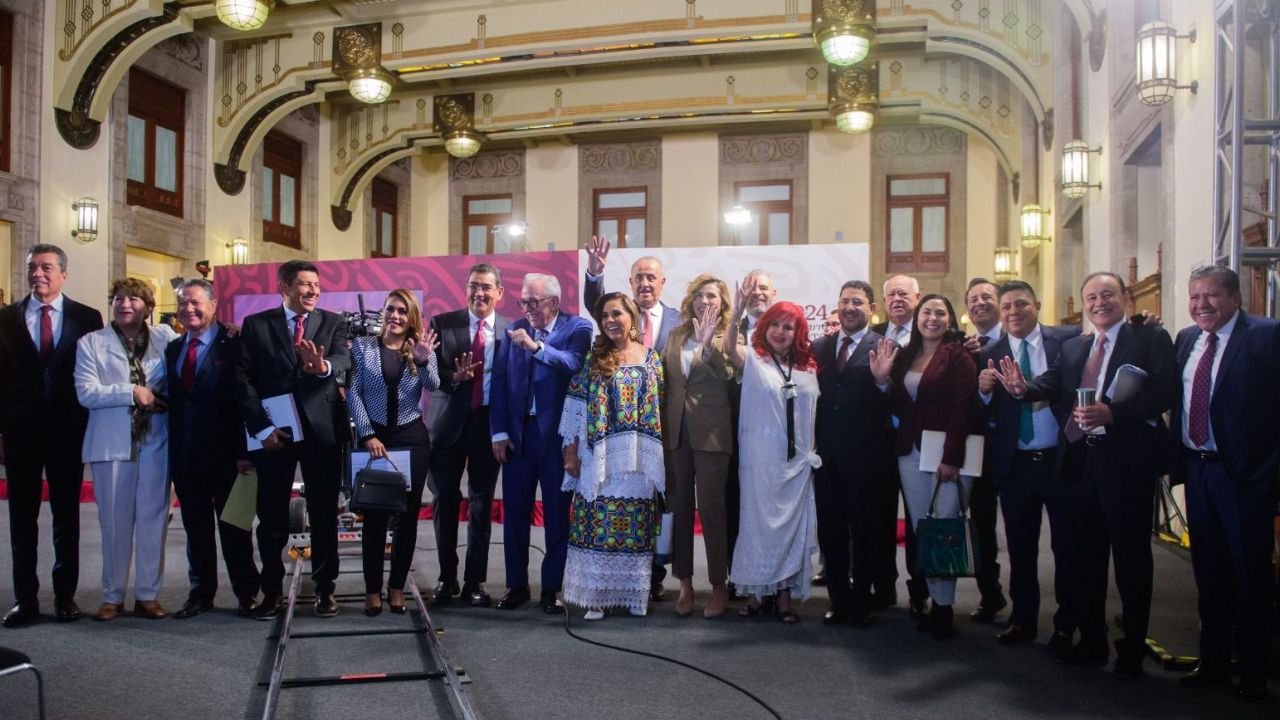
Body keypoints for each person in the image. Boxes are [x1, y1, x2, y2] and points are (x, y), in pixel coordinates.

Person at [991, 271, 1176, 678]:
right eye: (1090, 297)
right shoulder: (1076, 347)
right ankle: (1091, 640)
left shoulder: (1148, 338)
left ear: (1124, 297)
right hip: (1078, 466)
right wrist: (1024, 389)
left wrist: (1114, 413)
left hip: (1126, 466)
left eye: (1106, 294)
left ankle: (1131, 649)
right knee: (1084, 560)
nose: (1097, 303)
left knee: (1130, 561)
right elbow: (1052, 383)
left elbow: (1165, 392)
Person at [1169, 266, 1279, 701]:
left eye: (1211, 296)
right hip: (1197, 472)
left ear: (1235, 297)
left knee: (1251, 575)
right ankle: (1212, 660)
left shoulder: (1267, 336)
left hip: (1245, 477)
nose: (1201, 305)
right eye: (1195, 296)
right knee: (1208, 572)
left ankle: (1252, 671)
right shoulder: (1186, 340)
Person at [234, 260, 351, 619]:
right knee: (270, 517)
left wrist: (325, 367)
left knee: (323, 514)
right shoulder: (256, 325)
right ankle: (272, 592)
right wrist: (261, 428)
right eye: (305, 284)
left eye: (316, 285)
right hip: (275, 434)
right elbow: (243, 380)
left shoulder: (332, 322)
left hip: (321, 433)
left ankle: (325, 589)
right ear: (284, 287)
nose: (314, 291)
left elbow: (344, 359)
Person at [0, 244, 103, 628]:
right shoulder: (5, 318)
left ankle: (65, 596)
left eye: (46, 267)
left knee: (67, 517)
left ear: (63, 274)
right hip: (20, 432)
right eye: (32, 267)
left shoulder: (87, 318)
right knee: (21, 519)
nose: (37, 273)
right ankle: (25, 599)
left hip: (67, 432)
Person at [977, 280, 1078, 647]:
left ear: (1037, 304)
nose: (1013, 312)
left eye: (1021, 304)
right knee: (1021, 548)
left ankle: (1067, 623)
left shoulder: (1067, 340)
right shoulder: (990, 350)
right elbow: (982, 410)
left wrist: (1140, 322)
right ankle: (1023, 619)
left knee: (1067, 548)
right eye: (1006, 307)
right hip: (1015, 464)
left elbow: (1108, 336)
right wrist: (984, 391)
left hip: (1059, 461)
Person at [74, 278, 179, 620]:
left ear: (148, 306)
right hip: (111, 444)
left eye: (133, 299)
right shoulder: (91, 343)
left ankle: (148, 594)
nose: (124, 304)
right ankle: (112, 595)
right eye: (118, 299)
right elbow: (86, 393)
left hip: (156, 441)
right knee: (115, 523)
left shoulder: (165, 338)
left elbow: (194, 354)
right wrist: (132, 392)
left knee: (152, 519)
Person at [873, 293, 975, 640]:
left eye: (940, 312)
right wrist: (883, 380)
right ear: (917, 318)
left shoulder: (959, 356)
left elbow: (964, 408)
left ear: (950, 319)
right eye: (926, 312)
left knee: (944, 528)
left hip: (946, 455)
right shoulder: (906, 355)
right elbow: (896, 402)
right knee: (923, 529)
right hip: (910, 452)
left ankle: (944, 608)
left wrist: (951, 457)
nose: (932, 318)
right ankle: (933, 601)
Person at [583, 236, 678, 601]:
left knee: (655, 507)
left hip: (661, 433)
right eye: (638, 276)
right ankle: (616, 581)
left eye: (651, 277)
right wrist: (595, 272)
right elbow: (599, 304)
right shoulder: (616, 317)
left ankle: (651, 577)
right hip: (615, 442)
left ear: (662, 282)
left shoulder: (679, 322)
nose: (645, 283)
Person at [490, 273, 592, 613]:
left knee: (557, 517)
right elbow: (500, 384)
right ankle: (517, 585)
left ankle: (552, 589)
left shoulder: (576, 328)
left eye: (534, 302)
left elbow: (573, 363)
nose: (527, 309)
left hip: (559, 440)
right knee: (515, 514)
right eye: (523, 302)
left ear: (554, 302)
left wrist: (537, 348)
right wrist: (499, 432)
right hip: (518, 437)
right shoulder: (513, 329)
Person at [560, 292, 665, 619]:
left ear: (631, 316)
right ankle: (595, 598)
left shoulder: (651, 359)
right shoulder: (593, 359)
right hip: (600, 459)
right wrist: (571, 456)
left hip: (637, 460)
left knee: (634, 528)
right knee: (599, 524)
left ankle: (632, 595)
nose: (610, 321)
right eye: (605, 316)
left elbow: (660, 409)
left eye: (616, 314)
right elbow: (575, 408)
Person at [725, 276, 820, 624]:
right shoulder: (752, 358)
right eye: (775, 324)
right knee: (757, 527)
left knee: (791, 531)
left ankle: (783, 596)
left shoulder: (810, 366)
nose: (781, 331)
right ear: (764, 327)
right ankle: (754, 592)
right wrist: (736, 312)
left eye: (789, 327)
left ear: (799, 333)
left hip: (797, 464)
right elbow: (727, 349)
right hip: (759, 463)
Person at [166, 279, 260, 620]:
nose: (189, 309)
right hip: (187, 457)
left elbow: (246, 400)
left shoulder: (234, 343)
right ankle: (201, 593)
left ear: (213, 305)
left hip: (230, 458)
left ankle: (247, 592)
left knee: (235, 528)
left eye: (195, 303)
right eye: (182, 304)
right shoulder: (174, 349)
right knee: (196, 529)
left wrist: (245, 450)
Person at [347, 290, 441, 616]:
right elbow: (354, 394)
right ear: (383, 313)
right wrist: (367, 433)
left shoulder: (418, 349)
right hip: (374, 438)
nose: (395, 316)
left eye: (402, 311)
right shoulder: (362, 348)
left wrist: (425, 359)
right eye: (390, 309)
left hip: (411, 438)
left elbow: (433, 385)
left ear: (411, 316)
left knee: (406, 518)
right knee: (373, 516)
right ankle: (372, 589)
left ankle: (397, 586)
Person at [425, 264, 508, 607]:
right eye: (474, 286)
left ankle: (475, 582)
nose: (480, 293)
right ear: (466, 288)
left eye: (487, 287)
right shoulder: (443, 324)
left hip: (487, 426)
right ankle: (447, 578)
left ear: (499, 293)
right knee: (444, 501)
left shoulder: (509, 331)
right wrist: (455, 378)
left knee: (481, 503)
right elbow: (430, 375)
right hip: (447, 425)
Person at [812, 280, 889, 628]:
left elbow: (896, 405)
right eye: (844, 301)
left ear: (872, 308)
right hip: (826, 460)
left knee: (865, 533)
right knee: (832, 533)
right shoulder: (819, 347)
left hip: (866, 460)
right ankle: (838, 599)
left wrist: (883, 383)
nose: (849, 307)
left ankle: (862, 601)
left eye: (857, 301)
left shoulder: (884, 347)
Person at [661, 275, 734, 618]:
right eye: (700, 295)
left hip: (713, 435)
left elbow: (730, 375)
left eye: (713, 296)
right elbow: (666, 383)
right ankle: (685, 583)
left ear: (722, 303)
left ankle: (719, 585)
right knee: (679, 509)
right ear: (691, 300)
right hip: (676, 434)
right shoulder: (675, 336)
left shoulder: (730, 335)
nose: (706, 301)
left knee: (711, 509)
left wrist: (707, 347)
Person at [870, 273, 925, 615]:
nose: (897, 300)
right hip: (879, 444)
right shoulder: (872, 338)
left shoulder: (931, 338)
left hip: (919, 444)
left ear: (917, 298)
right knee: (880, 518)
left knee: (919, 520)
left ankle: (920, 591)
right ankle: (884, 586)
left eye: (904, 294)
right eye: (891, 295)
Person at [959, 277, 1007, 624]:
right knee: (982, 525)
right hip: (980, 449)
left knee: (1024, 531)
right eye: (973, 299)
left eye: (987, 296)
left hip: (1021, 448)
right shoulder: (965, 346)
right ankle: (990, 593)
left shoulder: (1024, 338)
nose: (980, 303)